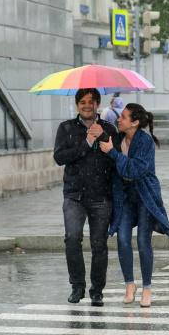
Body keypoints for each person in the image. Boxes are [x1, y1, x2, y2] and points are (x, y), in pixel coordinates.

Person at [99, 103, 169, 307]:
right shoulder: (117, 138)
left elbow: (135, 170)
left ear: (135, 122)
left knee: (143, 241)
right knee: (123, 239)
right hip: (124, 197)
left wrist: (113, 154)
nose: (118, 120)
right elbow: (114, 168)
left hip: (144, 196)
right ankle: (129, 285)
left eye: (123, 117)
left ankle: (147, 288)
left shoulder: (145, 142)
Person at [53, 88, 118, 307]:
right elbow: (60, 157)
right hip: (74, 195)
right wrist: (87, 143)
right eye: (82, 102)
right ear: (77, 105)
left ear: (98, 104)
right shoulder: (66, 128)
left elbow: (115, 161)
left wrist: (103, 139)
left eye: (91, 102)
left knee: (99, 244)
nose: (87, 106)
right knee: (72, 239)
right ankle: (77, 287)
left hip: (101, 197)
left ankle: (97, 291)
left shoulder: (109, 128)